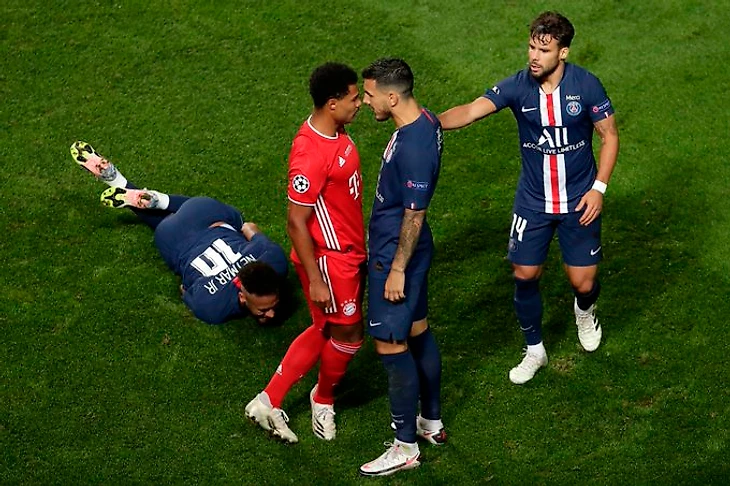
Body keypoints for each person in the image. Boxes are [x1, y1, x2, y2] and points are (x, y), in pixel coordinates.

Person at [439, 11, 620, 384]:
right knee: (524, 274)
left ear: (563, 52)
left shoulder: (586, 86)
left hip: (579, 202)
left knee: (584, 283)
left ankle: (584, 312)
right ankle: (535, 349)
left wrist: (599, 189)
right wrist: (424, 122)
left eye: (544, 50)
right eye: (532, 47)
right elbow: (471, 111)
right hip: (533, 202)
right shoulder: (518, 86)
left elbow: (610, 136)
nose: (534, 57)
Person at [244, 63, 366, 444]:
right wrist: (316, 279)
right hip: (330, 260)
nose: (360, 103)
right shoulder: (310, 155)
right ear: (332, 104)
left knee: (324, 327)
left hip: (348, 251)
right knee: (350, 334)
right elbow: (296, 221)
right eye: (353, 98)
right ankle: (322, 399)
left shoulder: (335, 130)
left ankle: (268, 400)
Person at [69, 141, 289, 326]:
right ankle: (130, 187)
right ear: (241, 296)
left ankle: (159, 199)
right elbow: (185, 290)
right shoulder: (212, 308)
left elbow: (249, 227)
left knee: (234, 218)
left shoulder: (274, 259)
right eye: (263, 310)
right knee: (166, 225)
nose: (271, 314)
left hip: (203, 213)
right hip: (173, 239)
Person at [358, 58, 445, 478]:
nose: (365, 101)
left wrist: (396, 269)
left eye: (369, 94)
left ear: (392, 97)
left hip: (396, 253)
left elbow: (414, 214)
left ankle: (405, 446)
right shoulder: (424, 121)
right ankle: (431, 422)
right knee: (417, 329)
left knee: (390, 346)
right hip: (410, 249)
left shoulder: (414, 147)